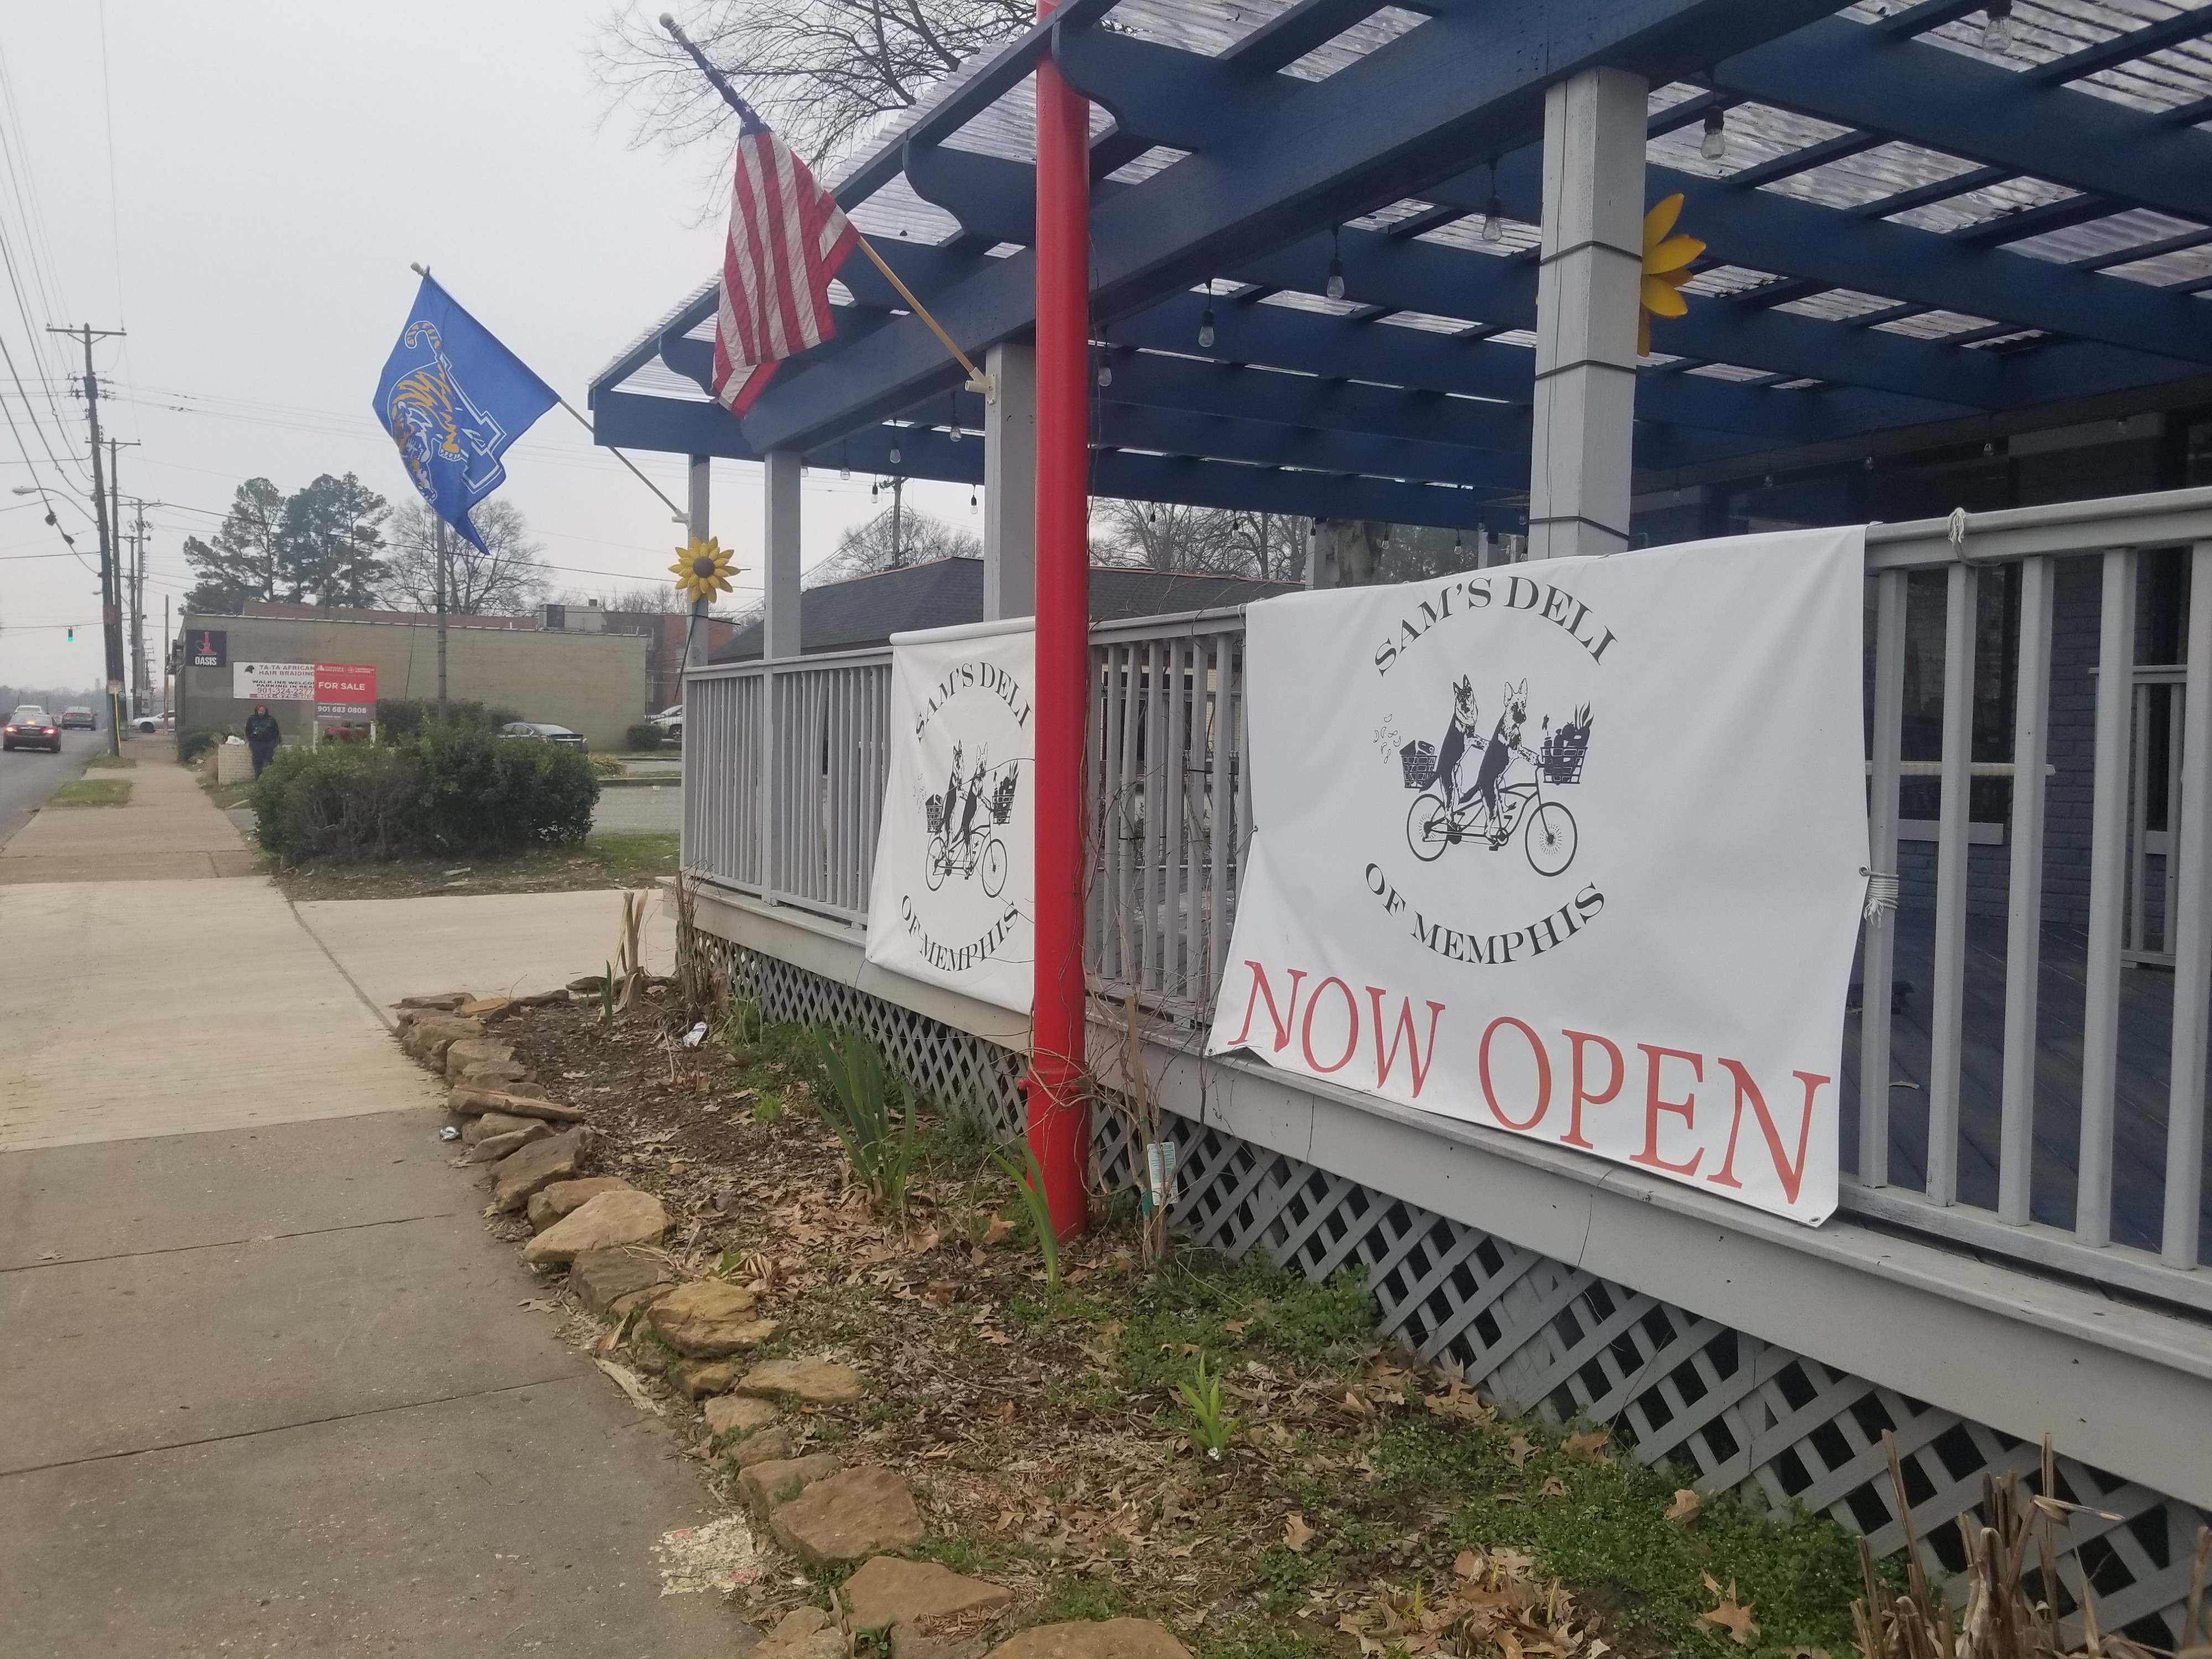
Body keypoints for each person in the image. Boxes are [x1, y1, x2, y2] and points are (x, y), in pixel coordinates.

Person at [243, 703, 281, 778]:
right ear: (257, 711)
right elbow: (248, 730)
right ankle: (258, 778)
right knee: (257, 761)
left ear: (265, 711)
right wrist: (251, 740)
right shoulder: (252, 719)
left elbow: (276, 732)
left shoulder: (271, 720)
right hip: (256, 743)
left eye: (262, 711)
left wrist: (274, 742)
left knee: (269, 760)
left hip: (268, 743)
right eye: (260, 711)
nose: (261, 712)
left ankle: (268, 777)